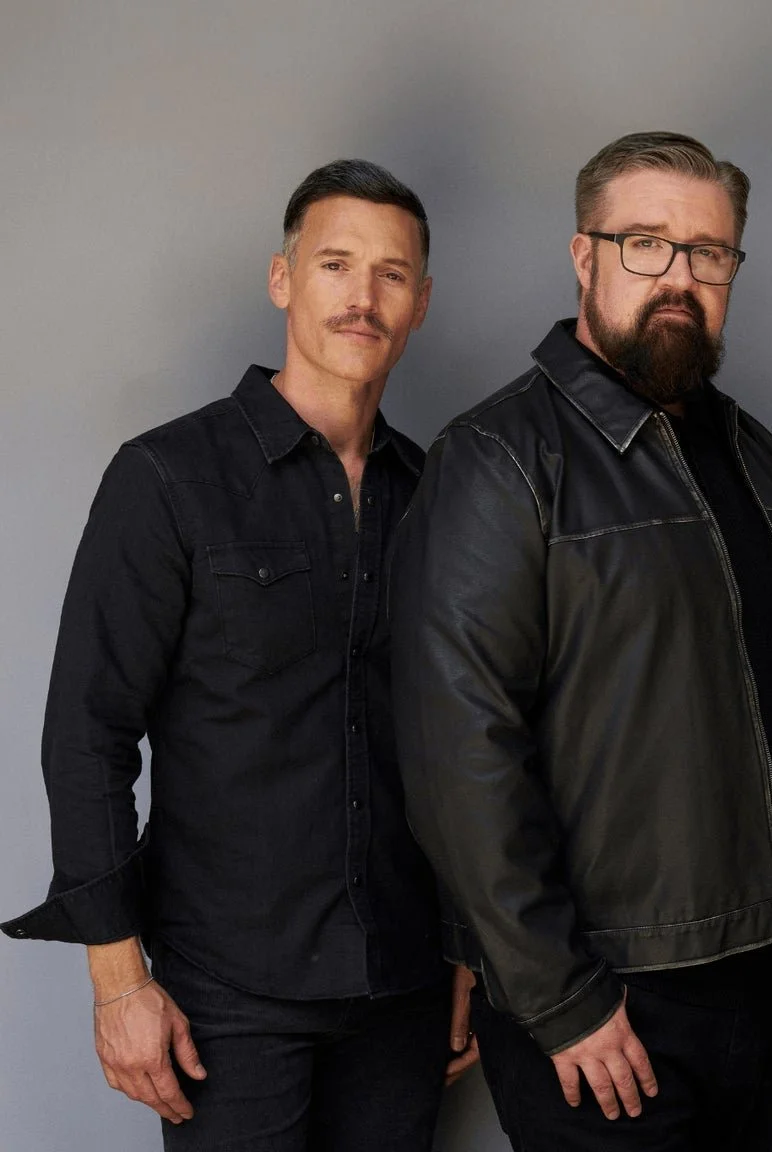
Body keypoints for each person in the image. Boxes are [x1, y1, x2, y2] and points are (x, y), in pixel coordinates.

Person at [390, 131, 772, 1151]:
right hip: (603, 1001)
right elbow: (458, 753)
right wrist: (557, 998)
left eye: (708, 252)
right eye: (645, 243)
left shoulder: (757, 457)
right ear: (583, 255)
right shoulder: (499, 459)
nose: (678, 276)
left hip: (758, 980)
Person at [2, 159, 471, 1149]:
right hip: (231, 1001)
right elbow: (86, 734)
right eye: (336, 262)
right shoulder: (168, 477)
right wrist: (118, 979)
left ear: (421, 303)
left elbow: (461, 750)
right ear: (282, 277)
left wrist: (467, 954)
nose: (363, 295)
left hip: (402, 989)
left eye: (392, 274)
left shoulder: (437, 496)